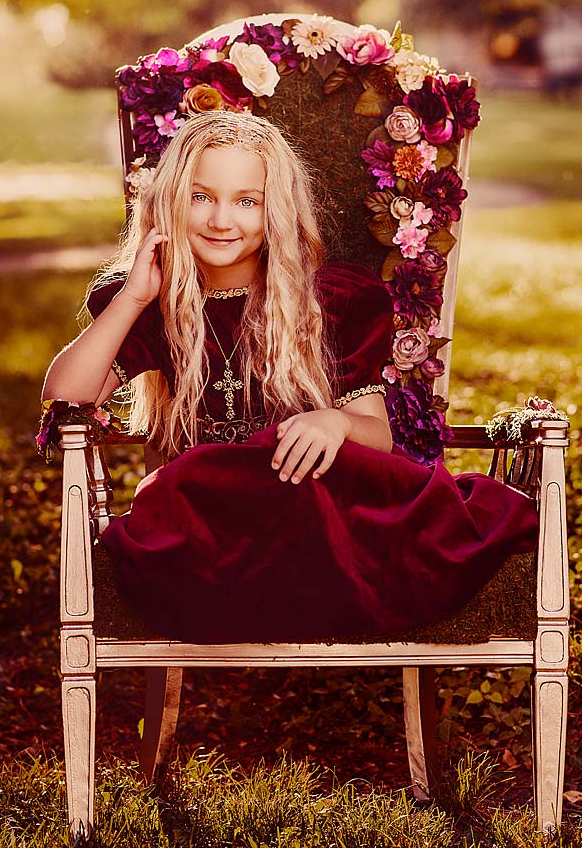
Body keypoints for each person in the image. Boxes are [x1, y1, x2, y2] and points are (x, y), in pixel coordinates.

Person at [41, 110, 538, 644]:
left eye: (246, 201)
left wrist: (335, 423)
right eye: (201, 197)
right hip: (221, 515)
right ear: (169, 202)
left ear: (274, 209)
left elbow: (379, 436)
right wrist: (136, 296)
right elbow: (65, 396)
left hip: (317, 501)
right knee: (188, 485)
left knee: (282, 468)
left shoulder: (334, 300)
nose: (221, 220)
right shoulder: (155, 305)